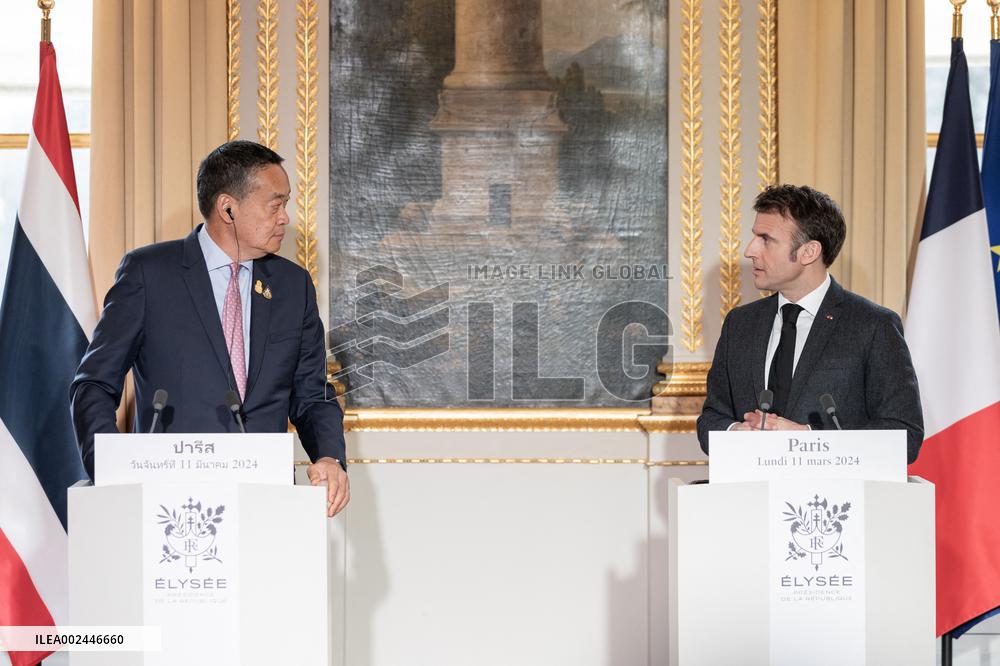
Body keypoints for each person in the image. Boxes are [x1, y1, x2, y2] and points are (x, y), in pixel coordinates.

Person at [71, 140, 349, 516]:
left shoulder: (292, 286)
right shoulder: (149, 274)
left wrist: (329, 456)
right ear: (228, 208)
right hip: (165, 505)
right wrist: (112, 471)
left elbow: (312, 395)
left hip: (265, 503)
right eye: (276, 204)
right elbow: (93, 384)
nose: (285, 217)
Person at [697, 184, 924, 463]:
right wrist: (736, 433)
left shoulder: (873, 326)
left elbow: (905, 436)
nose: (749, 250)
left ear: (808, 252)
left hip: (837, 502)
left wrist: (807, 439)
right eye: (754, 237)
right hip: (750, 498)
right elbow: (710, 419)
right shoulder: (740, 324)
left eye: (766, 239)